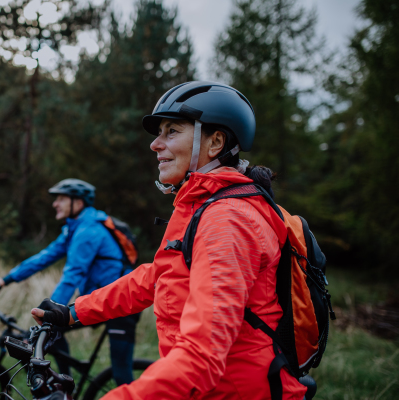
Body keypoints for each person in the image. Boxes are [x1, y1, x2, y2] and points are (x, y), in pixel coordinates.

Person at [31, 82, 308, 399]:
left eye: (171, 131)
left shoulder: (227, 220)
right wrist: (74, 312)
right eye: (158, 133)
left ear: (215, 142)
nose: (155, 144)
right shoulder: (201, 208)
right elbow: (156, 277)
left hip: (237, 390)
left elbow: (203, 355)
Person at [0, 178, 139, 386]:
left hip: (122, 305)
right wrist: (0, 282)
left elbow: (72, 275)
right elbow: (42, 259)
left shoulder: (89, 231)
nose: (55, 204)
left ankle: (64, 386)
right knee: (56, 332)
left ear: (78, 203)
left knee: (122, 375)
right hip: (99, 300)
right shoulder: (74, 228)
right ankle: (63, 387)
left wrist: (50, 314)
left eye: (61, 199)